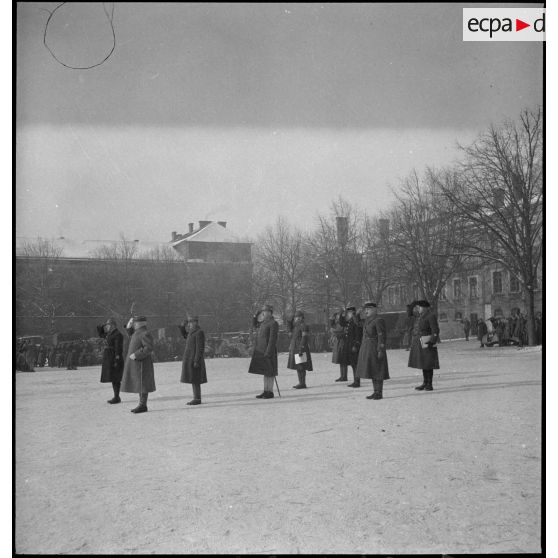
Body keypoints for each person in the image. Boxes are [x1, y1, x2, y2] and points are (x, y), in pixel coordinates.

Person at [121, 315, 156, 414]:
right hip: (138, 364)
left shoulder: (144, 333)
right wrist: (128, 326)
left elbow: (148, 348)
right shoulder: (138, 333)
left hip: (142, 363)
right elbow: (130, 334)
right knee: (140, 384)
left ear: (138, 324)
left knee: (142, 384)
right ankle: (142, 404)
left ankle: (143, 405)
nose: (133, 325)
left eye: (134, 323)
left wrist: (137, 354)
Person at [356, 302, 389, 400]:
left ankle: (379, 392)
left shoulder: (378, 320)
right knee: (372, 370)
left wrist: (380, 349)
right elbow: (358, 323)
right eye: (365, 309)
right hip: (368, 348)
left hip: (375, 348)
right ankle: (375, 391)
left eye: (368, 309)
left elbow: (381, 336)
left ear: (374, 310)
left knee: (378, 370)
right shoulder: (368, 320)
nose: (366, 311)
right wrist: (357, 314)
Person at [248, 304, 279, 399]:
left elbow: (272, 339)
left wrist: (268, 352)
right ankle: (265, 391)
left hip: (268, 351)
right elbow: (254, 325)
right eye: (263, 312)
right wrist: (255, 316)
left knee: (270, 373)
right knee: (265, 372)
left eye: (265, 311)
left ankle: (270, 391)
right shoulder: (263, 323)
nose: (264, 313)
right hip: (261, 350)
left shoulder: (273, 323)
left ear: (270, 312)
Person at [408, 300, 440, 391]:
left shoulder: (430, 316)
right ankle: (425, 382)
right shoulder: (420, 316)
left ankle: (429, 384)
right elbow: (409, 314)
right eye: (418, 307)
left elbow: (435, 330)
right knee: (423, 363)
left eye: (420, 307)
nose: (418, 309)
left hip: (427, 342)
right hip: (420, 342)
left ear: (425, 308)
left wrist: (432, 341)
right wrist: (412, 304)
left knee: (428, 364)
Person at [179, 315, 207, 405]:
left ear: (195, 322)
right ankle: (196, 397)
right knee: (193, 379)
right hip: (190, 359)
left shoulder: (199, 332)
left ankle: (197, 398)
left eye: (191, 322)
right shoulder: (192, 332)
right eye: (189, 322)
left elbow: (200, 348)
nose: (189, 324)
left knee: (196, 380)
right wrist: (182, 327)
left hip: (194, 359)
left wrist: (196, 360)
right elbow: (185, 336)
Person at [97, 317, 124, 404]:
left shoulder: (117, 334)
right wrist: (101, 327)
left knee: (116, 378)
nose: (107, 327)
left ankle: (117, 397)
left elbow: (118, 348)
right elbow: (101, 335)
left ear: (112, 325)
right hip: (109, 357)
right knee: (113, 378)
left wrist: (117, 359)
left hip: (114, 358)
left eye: (108, 325)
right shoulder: (110, 333)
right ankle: (116, 396)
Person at [287, 310, 313, 389]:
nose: (297, 318)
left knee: (301, 366)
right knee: (298, 366)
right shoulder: (295, 326)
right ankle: (300, 382)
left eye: (298, 317)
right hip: (295, 347)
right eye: (296, 317)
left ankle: (303, 383)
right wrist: (290, 320)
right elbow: (289, 330)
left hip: (301, 347)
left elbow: (304, 338)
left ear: (302, 318)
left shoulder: (303, 326)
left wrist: (301, 348)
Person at [340, 306, 362, 387]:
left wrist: (356, 345)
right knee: (353, 364)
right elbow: (342, 323)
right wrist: (342, 313)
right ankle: (355, 381)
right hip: (350, 345)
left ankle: (357, 382)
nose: (347, 314)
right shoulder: (350, 321)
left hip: (354, 345)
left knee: (355, 364)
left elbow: (358, 334)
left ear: (352, 313)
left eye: (348, 312)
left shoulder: (356, 321)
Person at [330, 310, 349, 382]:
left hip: (342, 341)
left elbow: (344, 332)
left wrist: (336, 334)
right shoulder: (338, 324)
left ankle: (344, 376)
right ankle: (342, 375)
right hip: (339, 341)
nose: (337, 318)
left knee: (343, 360)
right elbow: (333, 326)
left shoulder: (343, 324)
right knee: (340, 359)